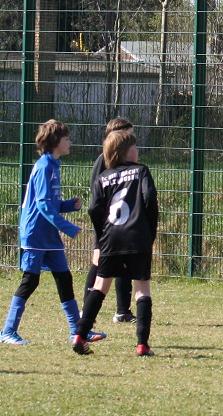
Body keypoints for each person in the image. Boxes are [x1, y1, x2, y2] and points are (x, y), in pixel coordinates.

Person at [0, 120, 106, 346]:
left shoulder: (54, 165)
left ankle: (78, 331)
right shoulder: (44, 167)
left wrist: (68, 205)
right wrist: (68, 227)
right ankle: (8, 331)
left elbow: (50, 202)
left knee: (65, 279)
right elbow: (42, 205)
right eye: (66, 138)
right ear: (55, 141)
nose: (70, 142)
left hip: (49, 235)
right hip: (35, 234)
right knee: (30, 281)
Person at [72, 129, 159, 356]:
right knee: (142, 289)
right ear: (126, 151)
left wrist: (102, 235)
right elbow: (149, 199)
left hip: (110, 238)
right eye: (135, 146)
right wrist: (150, 232)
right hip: (137, 238)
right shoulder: (141, 171)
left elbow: (93, 209)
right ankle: (142, 344)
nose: (137, 150)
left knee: (100, 285)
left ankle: (79, 335)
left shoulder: (103, 177)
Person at [85, 117, 136, 324]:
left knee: (124, 263)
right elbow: (96, 198)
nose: (133, 139)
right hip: (107, 224)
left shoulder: (127, 163)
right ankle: (86, 308)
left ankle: (123, 311)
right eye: (129, 135)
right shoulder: (103, 160)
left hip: (122, 222)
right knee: (99, 263)